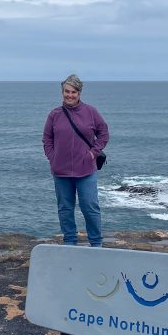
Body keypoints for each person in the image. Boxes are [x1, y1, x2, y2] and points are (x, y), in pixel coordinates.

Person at [42, 74, 109, 247]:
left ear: (79, 93)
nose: (69, 95)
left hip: (86, 170)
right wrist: (53, 158)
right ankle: (70, 241)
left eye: (73, 92)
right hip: (61, 171)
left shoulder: (91, 112)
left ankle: (96, 242)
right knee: (65, 208)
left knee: (90, 207)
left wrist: (93, 153)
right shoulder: (54, 115)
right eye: (66, 91)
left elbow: (103, 133)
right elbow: (47, 139)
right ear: (62, 92)